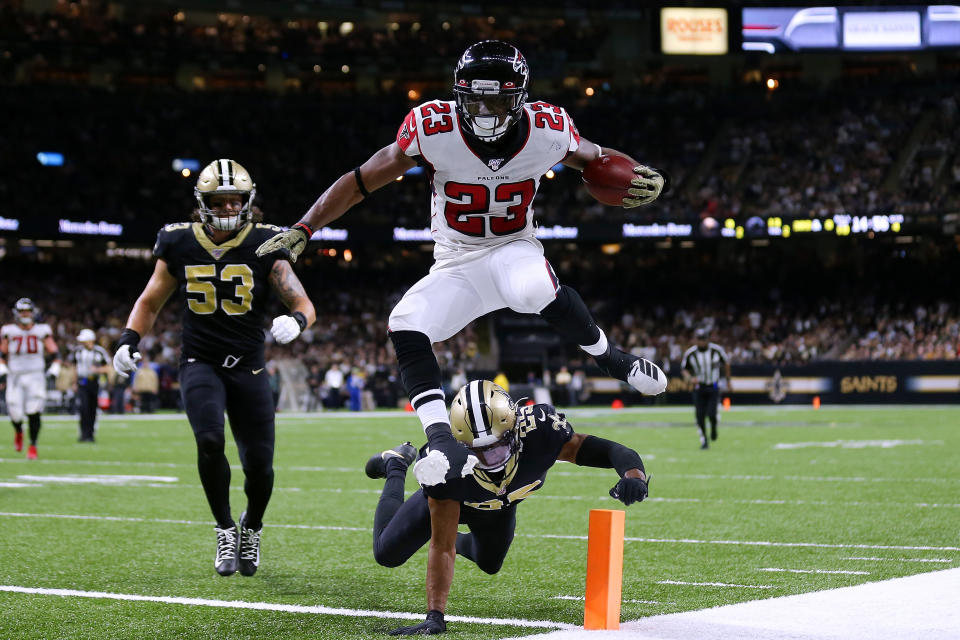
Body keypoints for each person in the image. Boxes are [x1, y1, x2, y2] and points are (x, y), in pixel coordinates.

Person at [257, 40, 668, 488]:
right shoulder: (432, 128)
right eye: (477, 100)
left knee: (532, 289)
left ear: (521, 97)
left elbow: (596, 158)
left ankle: (610, 358)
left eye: (499, 100)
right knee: (406, 322)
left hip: (514, 247)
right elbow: (361, 180)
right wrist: (305, 227)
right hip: (456, 260)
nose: (488, 112)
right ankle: (440, 438)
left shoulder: (548, 128)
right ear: (459, 95)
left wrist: (634, 172)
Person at [112, 159, 316, 577]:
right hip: (199, 361)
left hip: (250, 367)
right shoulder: (178, 242)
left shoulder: (266, 243)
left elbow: (303, 304)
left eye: (233, 200)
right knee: (208, 440)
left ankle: (251, 527)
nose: (225, 208)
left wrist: (295, 322)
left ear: (248, 201)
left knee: (259, 464)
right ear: (201, 203)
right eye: (217, 201)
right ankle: (224, 526)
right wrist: (128, 338)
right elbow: (150, 300)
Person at [364, 379, 650, 635]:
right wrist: (435, 615)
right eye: (482, 451)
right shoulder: (446, 467)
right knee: (387, 554)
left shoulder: (540, 431)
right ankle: (396, 464)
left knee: (489, 563)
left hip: (498, 509)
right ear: (462, 445)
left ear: (514, 428)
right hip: (458, 500)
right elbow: (443, 546)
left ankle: (464, 536)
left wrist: (633, 475)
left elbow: (609, 450)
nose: (493, 459)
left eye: (498, 447)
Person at [0, 298, 61, 459]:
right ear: (16, 313)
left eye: (27, 311)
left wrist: (55, 366)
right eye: (22, 311)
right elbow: (2, 352)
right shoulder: (9, 330)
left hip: (36, 374)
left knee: (34, 410)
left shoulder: (42, 330)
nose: (25, 314)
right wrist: (2, 367)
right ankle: (19, 431)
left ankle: (33, 445)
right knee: (15, 412)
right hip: (15, 375)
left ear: (33, 312)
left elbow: (54, 351)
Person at [680, 328, 732, 449]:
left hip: (713, 386)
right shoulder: (691, 353)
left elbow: (727, 363)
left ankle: (713, 427)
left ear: (708, 339)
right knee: (699, 415)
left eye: (703, 339)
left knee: (712, 413)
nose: (701, 342)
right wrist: (690, 378)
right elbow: (684, 369)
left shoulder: (716, 350)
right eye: (699, 339)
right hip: (699, 387)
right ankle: (704, 440)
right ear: (696, 340)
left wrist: (728, 380)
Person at [72, 328, 111, 442]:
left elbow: (108, 367)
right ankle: (83, 434)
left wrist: (97, 370)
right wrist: (74, 382)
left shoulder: (99, 351)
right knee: (83, 408)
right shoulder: (78, 351)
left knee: (92, 408)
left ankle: (90, 434)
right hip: (82, 381)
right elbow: (75, 368)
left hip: (93, 381)